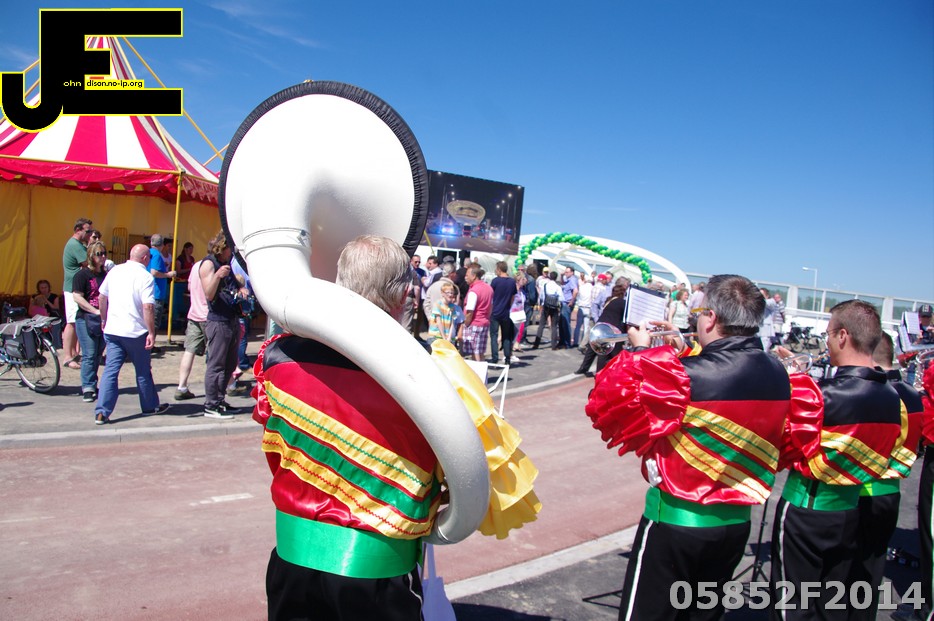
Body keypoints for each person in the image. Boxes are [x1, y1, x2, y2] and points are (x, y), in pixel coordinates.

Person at [585, 274, 820, 621]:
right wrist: (684, 350)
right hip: (736, 527)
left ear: (710, 318)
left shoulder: (686, 376)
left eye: (699, 313)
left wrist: (641, 353)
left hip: (676, 524)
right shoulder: (780, 374)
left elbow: (608, 408)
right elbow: (727, 376)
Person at [252, 235, 442, 620]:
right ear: (403, 296)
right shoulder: (428, 374)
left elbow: (270, 428)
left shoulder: (278, 356)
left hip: (292, 563)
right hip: (378, 572)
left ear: (339, 282)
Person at [770, 299, 902, 619]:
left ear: (843, 336)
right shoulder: (893, 396)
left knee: (792, 608)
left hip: (807, 510)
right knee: (832, 607)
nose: (826, 342)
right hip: (850, 511)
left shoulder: (821, 394)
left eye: (828, 334)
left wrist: (794, 382)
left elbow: (782, 447)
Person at [847, 332, 924, 620]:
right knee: (872, 568)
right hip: (890, 491)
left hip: (858, 490)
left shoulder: (870, 393)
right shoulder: (913, 394)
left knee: (844, 573)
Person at [93, 244, 170, 425]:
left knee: (110, 371)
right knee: (142, 371)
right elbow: (148, 306)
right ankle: (149, 406)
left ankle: (102, 411)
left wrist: (104, 319)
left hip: (114, 329)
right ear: (145, 258)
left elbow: (102, 296)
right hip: (135, 331)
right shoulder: (145, 276)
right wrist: (151, 332)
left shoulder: (115, 271)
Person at [200, 230, 249, 419]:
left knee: (229, 365)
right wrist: (218, 276)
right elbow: (209, 294)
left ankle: (219, 400)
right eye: (231, 249)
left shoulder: (226, 263)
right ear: (223, 247)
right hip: (218, 321)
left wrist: (242, 289)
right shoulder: (209, 264)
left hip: (232, 319)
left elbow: (235, 286)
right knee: (216, 365)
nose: (233, 253)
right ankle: (211, 405)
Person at [72, 241, 108, 402]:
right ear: (91, 256)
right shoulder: (82, 275)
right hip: (86, 318)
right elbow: (77, 297)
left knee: (98, 353)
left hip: (103, 319)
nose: (103, 257)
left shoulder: (106, 275)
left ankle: (93, 383)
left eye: (104, 253)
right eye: (99, 254)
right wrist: (94, 310)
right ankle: (88, 387)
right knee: (89, 353)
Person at [575, 280, 629, 375]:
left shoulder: (609, 300)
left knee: (594, 349)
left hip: (600, 327)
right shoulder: (623, 303)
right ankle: (604, 374)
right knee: (613, 354)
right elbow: (625, 319)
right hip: (612, 330)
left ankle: (584, 368)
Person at [174, 255, 208, 401]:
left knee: (189, 351)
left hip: (194, 313)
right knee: (217, 353)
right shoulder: (214, 266)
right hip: (209, 316)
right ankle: (229, 386)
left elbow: (189, 287)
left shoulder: (195, 266)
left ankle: (181, 386)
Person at [62, 217, 93, 370]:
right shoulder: (75, 245)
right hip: (72, 288)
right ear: (78, 230)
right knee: (72, 322)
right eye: (88, 231)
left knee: (75, 320)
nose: (90, 234)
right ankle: (67, 356)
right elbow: (89, 263)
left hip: (74, 287)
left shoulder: (77, 244)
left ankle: (73, 353)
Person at [461, 264, 493, 362]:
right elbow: (491, 307)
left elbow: (470, 311)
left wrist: (465, 324)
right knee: (480, 352)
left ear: (474, 276)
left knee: (475, 353)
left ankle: (477, 371)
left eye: (467, 275)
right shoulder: (489, 288)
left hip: (474, 324)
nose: (465, 277)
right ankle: (482, 370)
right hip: (484, 322)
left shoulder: (474, 291)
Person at [489, 261, 517, 365]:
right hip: (505, 312)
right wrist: (509, 306)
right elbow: (513, 297)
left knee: (494, 335)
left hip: (495, 311)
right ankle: (507, 358)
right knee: (506, 336)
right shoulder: (512, 282)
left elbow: (491, 296)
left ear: (499, 270)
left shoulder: (495, 281)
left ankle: (495, 358)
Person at [148, 234, 176, 334]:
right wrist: (168, 274)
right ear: (162, 244)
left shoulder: (148, 253)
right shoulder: (156, 255)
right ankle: (151, 342)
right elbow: (154, 272)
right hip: (157, 292)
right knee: (154, 322)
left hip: (149, 291)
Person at [532, 271, 562, 350]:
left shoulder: (545, 285)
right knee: (554, 326)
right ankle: (554, 345)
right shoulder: (558, 287)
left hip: (546, 306)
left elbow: (542, 296)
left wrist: (541, 304)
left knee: (541, 325)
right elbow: (561, 298)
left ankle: (536, 344)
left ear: (549, 277)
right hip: (554, 307)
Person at [30, 279, 63, 349]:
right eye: (42, 288)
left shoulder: (54, 296)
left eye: (45, 287)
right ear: (39, 289)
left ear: (48, 287)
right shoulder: (35, 297)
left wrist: (46, 300)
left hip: (52, 316)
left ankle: (55, 343)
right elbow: (30, 311)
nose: (44, 289)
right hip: (40, 317)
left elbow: (56, 308)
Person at [173, 241, 195, 324]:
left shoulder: (192, 259)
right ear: (185, 249)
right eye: (190, 249)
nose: (191, 251)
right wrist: (189, 269)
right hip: (181, 282)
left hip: (189, 282)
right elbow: (178, 271)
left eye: (192, 249)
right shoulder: (180, 259)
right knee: (180, 301)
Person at [559, 266, 578, 348]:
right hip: (563, 303)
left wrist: (572, 301)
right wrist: (561, 275)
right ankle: (562, 341)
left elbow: (575, 291)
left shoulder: (572, 279)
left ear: (572, 272)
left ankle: (567, 343)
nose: (565, 273)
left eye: (567, 272)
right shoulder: (567, 279)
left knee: (566, 323)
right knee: (561, 323)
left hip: (567, 303)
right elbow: (562, 283)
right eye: (565, 272)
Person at [574, 273, 594, 350]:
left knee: (578, 326)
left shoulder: (582, 287)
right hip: (588, 308)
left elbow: (578, 296)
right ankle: (583, 343)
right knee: (586, 327)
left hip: (581, 307)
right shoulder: (592, 288)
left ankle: (575, 341)